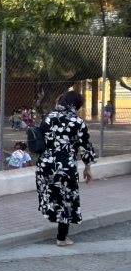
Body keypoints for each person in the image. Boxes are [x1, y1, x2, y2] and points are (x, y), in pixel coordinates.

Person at [36, 91, 95, 247]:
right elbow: (86, 147)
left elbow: (40, 137)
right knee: (66, 199)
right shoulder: (77, 122)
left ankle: (51, 216)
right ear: (75, 105)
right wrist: (87, 167)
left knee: (51, 195)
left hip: (45, 162)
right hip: (65, 164)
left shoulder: (47, 117)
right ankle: (62, 237)